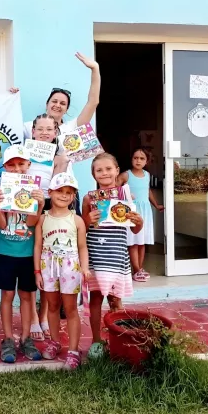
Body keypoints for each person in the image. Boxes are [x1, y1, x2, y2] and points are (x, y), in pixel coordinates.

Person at [82, 153, 143, 360]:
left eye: (108, 169)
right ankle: (96, 340)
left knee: (116, 300)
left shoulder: (126, 197)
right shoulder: (89, 199)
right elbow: (82, 228)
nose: (104, 173)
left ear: (117, 170)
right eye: (99, 170)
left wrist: (139, 221)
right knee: (96, 299)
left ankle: (119, 339)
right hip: (96, 255)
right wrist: (88, 219)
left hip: (117, 255)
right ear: (93, 174)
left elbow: (134, 229)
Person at [0, 145, 44, 363]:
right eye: (11, 165)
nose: (17, 169)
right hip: (4, 252)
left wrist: (39, 204)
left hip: (27, 254)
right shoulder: (0, 189)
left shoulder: (35, 189)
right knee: (7, 295)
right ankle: (7, 339)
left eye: (21, 164)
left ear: (28, 164)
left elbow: (31, 222)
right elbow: (2, 225)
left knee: (25, 296)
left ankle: (25, 337)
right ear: (5, 167)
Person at [34, 172, 89, 369]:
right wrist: (37, 272)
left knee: (71, 308)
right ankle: (55, 342)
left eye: (69, 192)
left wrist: (85, 268)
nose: (64, 195)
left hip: (70, 267)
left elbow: (82, 246)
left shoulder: (77, 220)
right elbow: (37, 246)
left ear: (73, 196)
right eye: (60, 191)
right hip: (48, 266)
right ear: (50, 192)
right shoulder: (42, 219)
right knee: (52, 305)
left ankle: (73, 350)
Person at [24, 113, 61, 341]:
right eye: (40, 129)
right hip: (27, 208)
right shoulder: (23, 154)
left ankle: (44, 315)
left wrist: (62, 163)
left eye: (49, 129)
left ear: (55, 133)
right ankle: (33, 319)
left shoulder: (59, 157)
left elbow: (62, 187)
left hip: (50, 208)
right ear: (33, 131)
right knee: (31, 262)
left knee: (48, 263)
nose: (45, 133)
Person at [117, 148, 164, 283]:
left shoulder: (147, 175)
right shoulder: (125, 175)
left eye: (142, 158)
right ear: (131, 159)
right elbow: (114, 190)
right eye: (135, 158)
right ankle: (136, 269)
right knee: (133, 241)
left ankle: (140, 268)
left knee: (142, 242)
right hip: (132, 211)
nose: (138, 161)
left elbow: (147, 191)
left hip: (145, 211)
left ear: (147, 161)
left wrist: (156, 205)